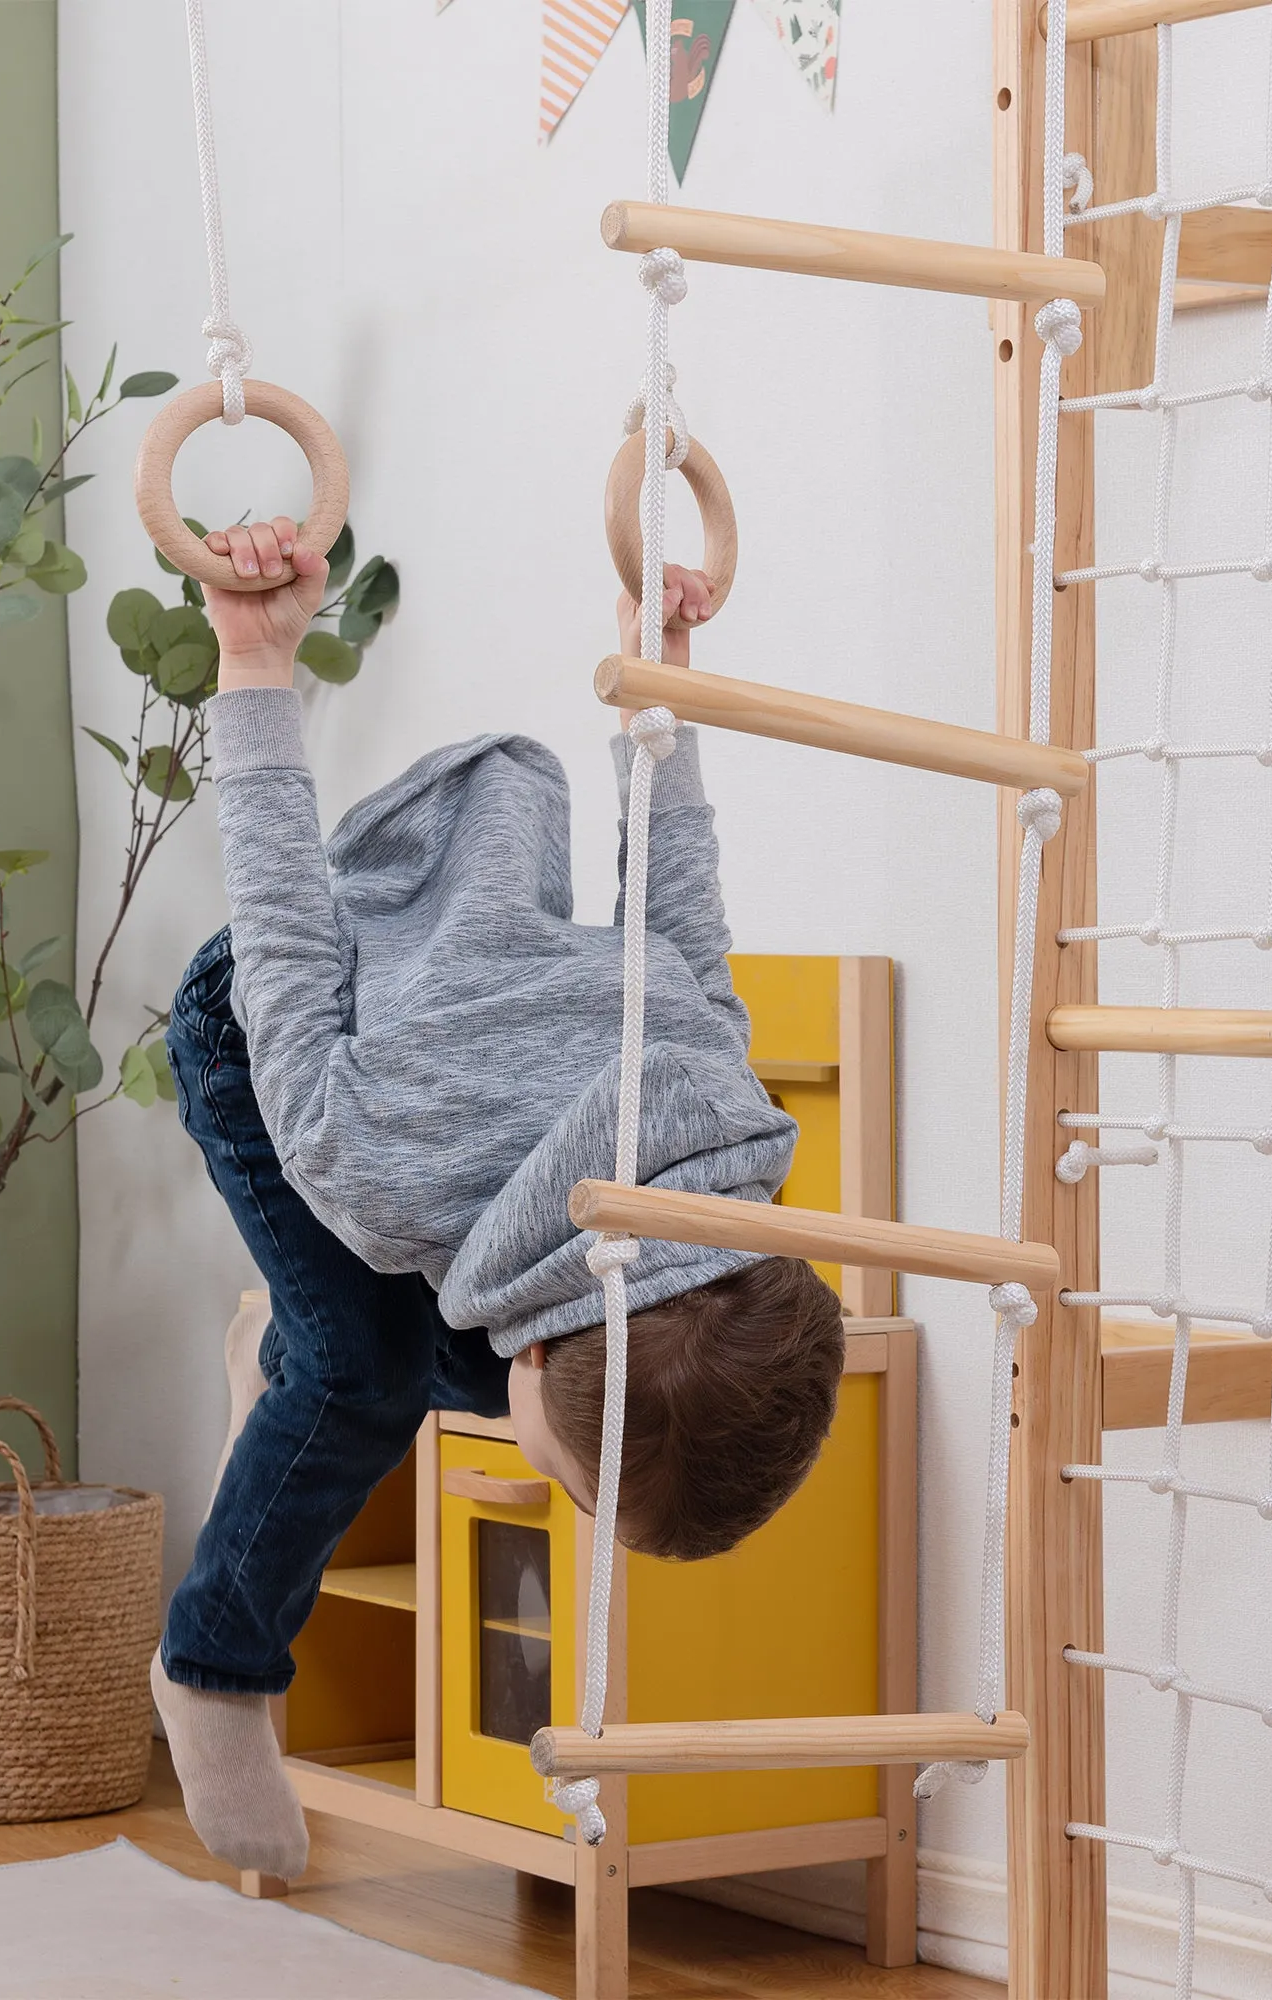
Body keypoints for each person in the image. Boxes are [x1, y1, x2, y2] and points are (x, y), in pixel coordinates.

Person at [152, 514, 847, 1876]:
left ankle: (289, 1354)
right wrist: (253, 665)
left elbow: (681, 906)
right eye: (584, 1490)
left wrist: (662, 678)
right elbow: (287, 932)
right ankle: (215, 1663)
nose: (567, 1505)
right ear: (548, 1337)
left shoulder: (708, 1129)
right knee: (362, 1370)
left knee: (406, 1359)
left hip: (461, 1088)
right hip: (280, 1028)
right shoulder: (380, 1166)